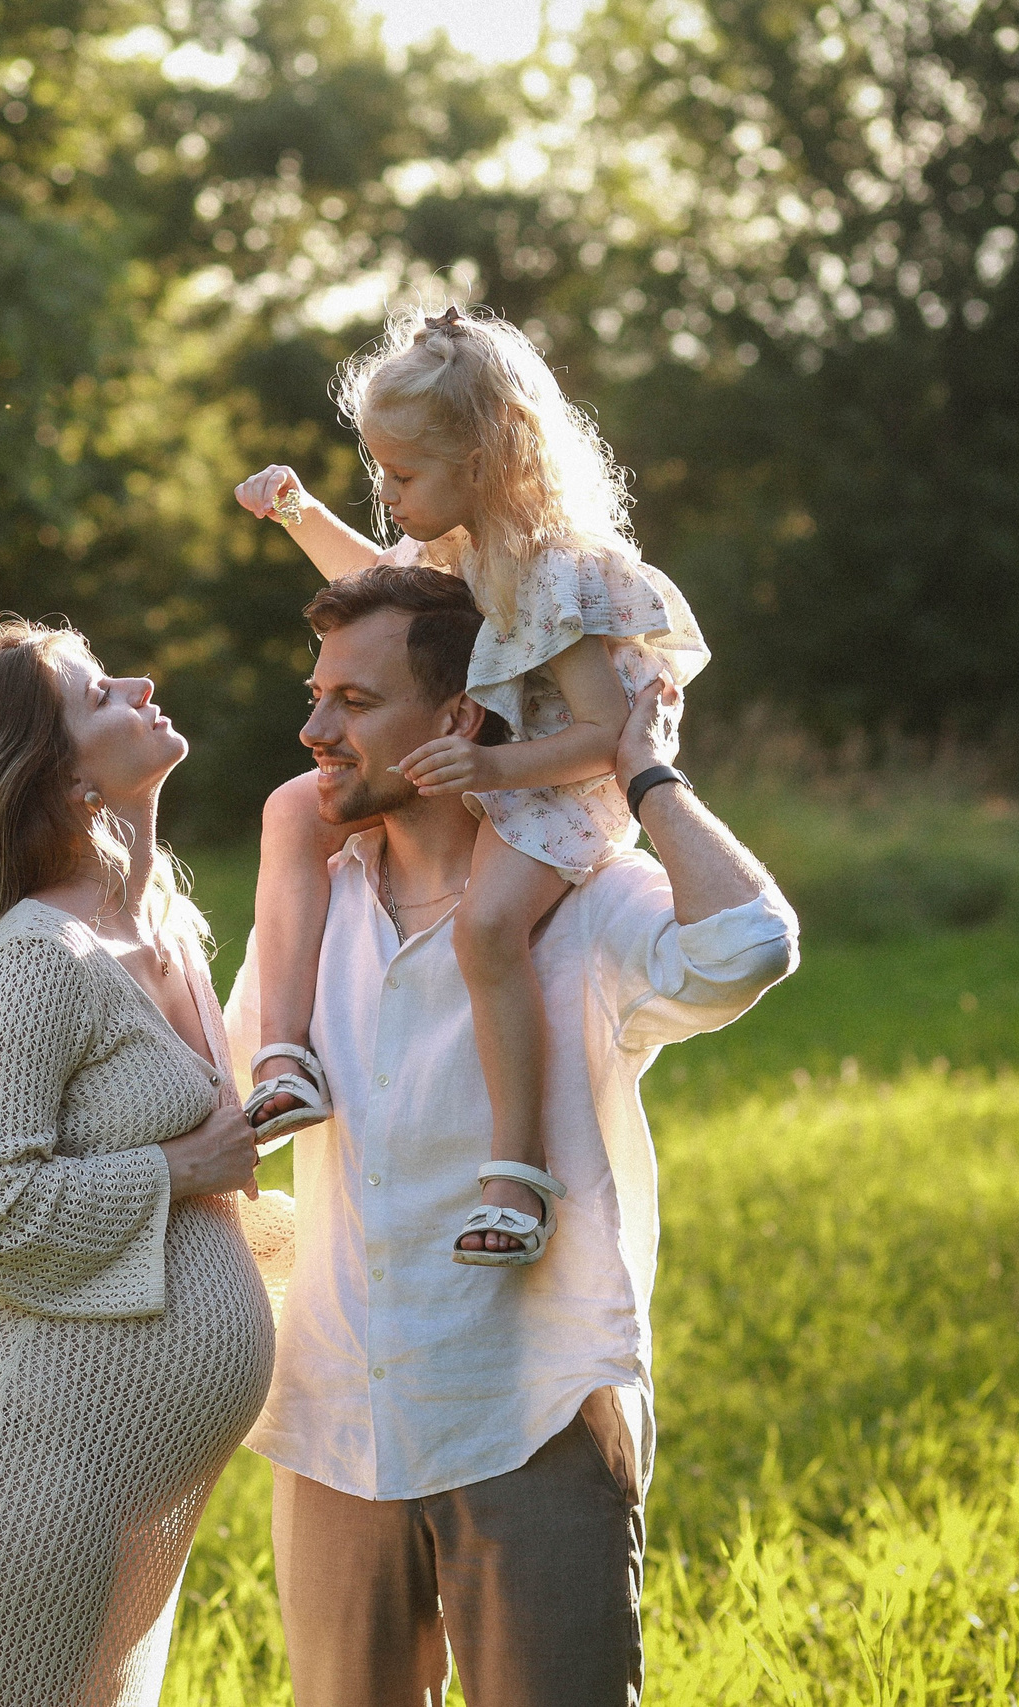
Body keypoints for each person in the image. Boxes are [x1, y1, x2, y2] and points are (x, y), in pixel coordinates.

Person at [223, 565, 797, 1706]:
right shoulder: (312, 906)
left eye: (353, 703)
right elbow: (228, 1083)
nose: (312, 730)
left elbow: (748, 946)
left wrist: (639, 770)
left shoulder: (587, 906)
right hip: (340, 1415)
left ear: (458, 721)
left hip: (527, 1413)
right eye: (317, 694)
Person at [0, 618, 293, 1707]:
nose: (143, 686)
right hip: (4, 1496)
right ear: (58, 779)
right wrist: (184, 1170)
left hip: (111, 1495)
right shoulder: (38, 960)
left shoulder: (165, 922)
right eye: (101, 696)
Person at [233, 305, 709, 1268]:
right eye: (380, 471)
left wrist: (492, 769)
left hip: (557, 784)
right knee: (294, 808)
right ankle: (283, 1054)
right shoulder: (451, 553)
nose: (389, 494)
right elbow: (377, 595)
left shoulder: (552, 572)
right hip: (480, 765)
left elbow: (601, 734)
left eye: (404, 474)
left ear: (486, 461)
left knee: (487, 928)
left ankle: (515, 1166)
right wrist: (296, 513)